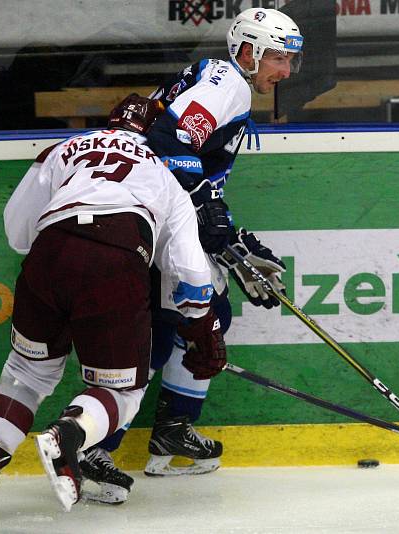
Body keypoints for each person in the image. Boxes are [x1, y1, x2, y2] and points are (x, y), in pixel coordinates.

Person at [0, 95, 226, 519]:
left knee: (24, 374)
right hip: (115, 260)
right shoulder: (163, 174)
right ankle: (69, 432)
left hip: (49, 254)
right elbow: (188, 268)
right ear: (151, 133)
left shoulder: (63, 149)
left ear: (109, 122)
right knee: (122, 390)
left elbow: (17, 232)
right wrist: (202, 325)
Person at [78, 7, 303, 504]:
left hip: (152, 209)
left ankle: (169, 430)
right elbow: (170, 139)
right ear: (249, 52)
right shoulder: (229, 82)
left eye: (292, 61)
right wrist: (206, 208)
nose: (286, 72)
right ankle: (97, 450)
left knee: (204, 316)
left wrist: (219, 223)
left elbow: (183, 153)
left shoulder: (219, 78)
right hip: (153, 213)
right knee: (164, 332)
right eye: (280, 59)